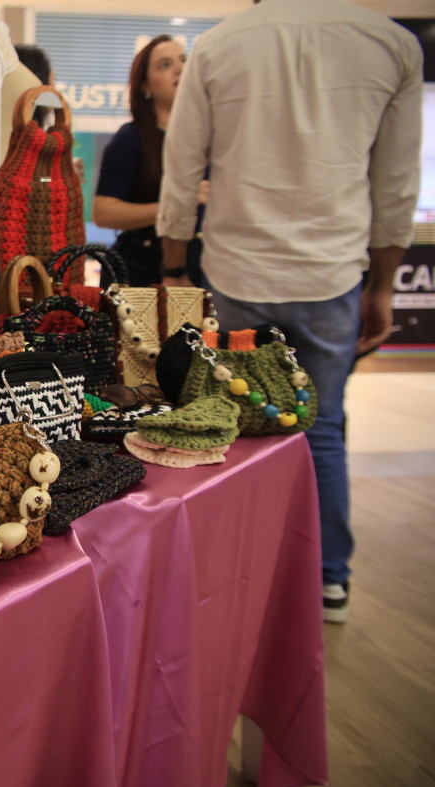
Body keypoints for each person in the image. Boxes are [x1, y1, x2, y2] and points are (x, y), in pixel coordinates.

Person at [156, 0, 422, 623]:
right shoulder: (390, 43)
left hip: (239, 268)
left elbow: (183, 166)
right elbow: (395, 184)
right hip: (331, 273)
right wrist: (382, 286)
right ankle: (327, 579)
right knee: (322, 428)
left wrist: (173, 264)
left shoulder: (219, 46)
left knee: (236, 420)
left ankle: (242, 571)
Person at [95, 35, 208, 287]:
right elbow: (104, 212)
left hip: (206, 263)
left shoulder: (209, 136)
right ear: (145, 85)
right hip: (142, 269)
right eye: (165, 65)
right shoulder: (130, 138)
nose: (180, 69)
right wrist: (177, 203)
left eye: (183, 60)